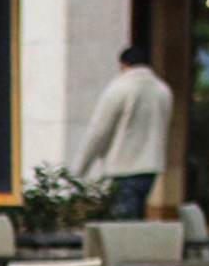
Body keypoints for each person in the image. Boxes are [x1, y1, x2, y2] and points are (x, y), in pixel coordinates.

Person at [73, 44, 174, 221]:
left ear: (123, 64)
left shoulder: (120, 89)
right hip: (150, 169)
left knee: (122, 227)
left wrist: (80, 170)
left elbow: (99, 131)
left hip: (123, 168)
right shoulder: (163, 91)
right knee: (135, 223)